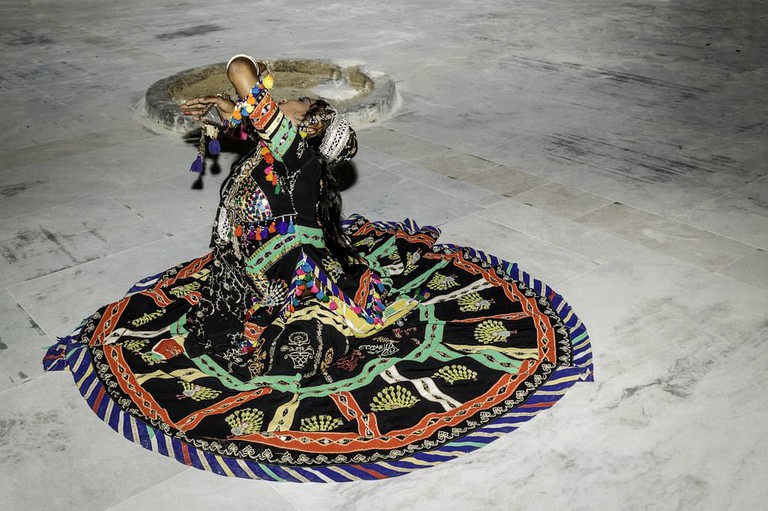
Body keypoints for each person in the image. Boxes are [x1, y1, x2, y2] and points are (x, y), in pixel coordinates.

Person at [43, 55, 593, 482]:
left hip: (277, 267)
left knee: (268, 332)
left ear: (310, 129)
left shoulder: (295, 150)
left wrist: (248, 74)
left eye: (303, 107)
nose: (295, 103)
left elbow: (243, 80)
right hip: (263, 258)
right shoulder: (285, 144)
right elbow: (241, 125)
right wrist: (213, 108)